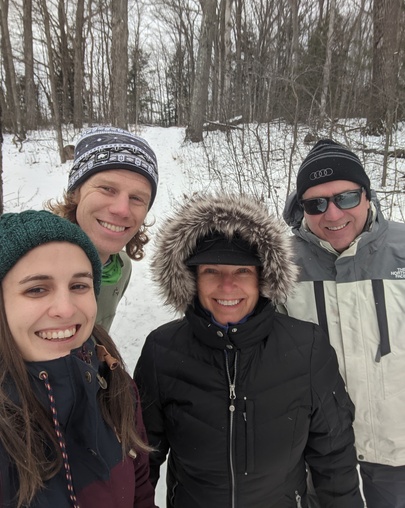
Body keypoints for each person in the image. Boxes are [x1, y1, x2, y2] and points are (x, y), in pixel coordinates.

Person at [134, 192, 364, 508]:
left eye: (242, 270)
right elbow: (141, 457)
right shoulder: (162, 350)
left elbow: (334, 457)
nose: (227, 286)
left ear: (262, 277)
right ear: (191, 278)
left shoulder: (307, 347)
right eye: (211, 271)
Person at [0, 210, 156, 508]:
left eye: (79, 286)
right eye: (36, 289)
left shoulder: (113, 384)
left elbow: (140, 489)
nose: (66, 309)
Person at [282, 138, 405, 508]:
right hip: (320, 453)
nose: (333, 215)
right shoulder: (281, 265)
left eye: (346, 198)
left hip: (398, 447)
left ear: (367, 195)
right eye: (316, 204)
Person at [47, 126, 159, 332]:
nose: (122, 210)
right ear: (75, 193)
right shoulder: (28, 266)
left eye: (136, 198)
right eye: (107, 189)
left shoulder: (120, 268)